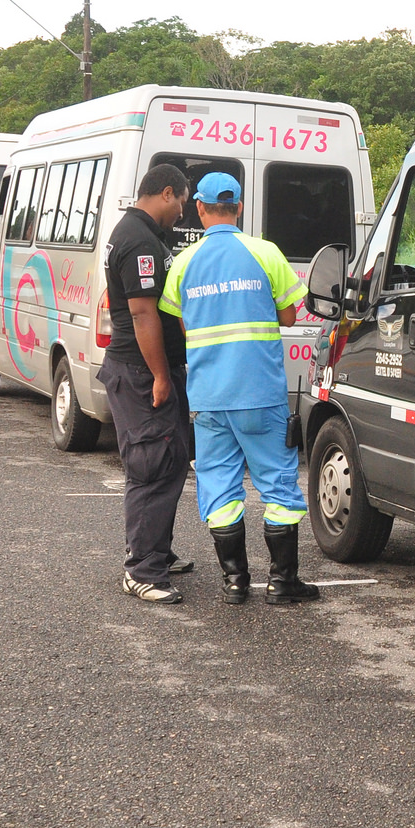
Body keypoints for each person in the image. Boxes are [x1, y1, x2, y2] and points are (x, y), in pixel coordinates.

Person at [159, 171, 317, 605]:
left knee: (219, 486)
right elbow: (288, 317)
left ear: (201, 208)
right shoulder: (265, 252)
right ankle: (283, 583)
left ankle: (235, 583)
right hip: (260, 391)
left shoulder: (184, 262)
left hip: (209, 395)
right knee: (278, 485)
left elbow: (181, 322)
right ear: (240, 207)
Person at [98, 165, 196, 605]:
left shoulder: (143, 233)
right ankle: (141, 569)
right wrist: (159, 375)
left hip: (154, 368)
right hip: (140, 371)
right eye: (181, 202)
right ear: (167, 193)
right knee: (151, 464)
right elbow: (141, 313)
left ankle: (157, 549)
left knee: (172, 460)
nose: (182, 212)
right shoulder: (138, 239)